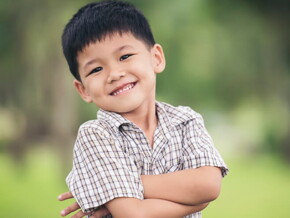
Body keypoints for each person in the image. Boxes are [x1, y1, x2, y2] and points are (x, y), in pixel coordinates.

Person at [58, 0, 228, 217]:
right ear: (83, 90)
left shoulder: (186, 120)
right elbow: (135, 215)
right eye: (96, 69)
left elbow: (208, 186)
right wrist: (196, 201)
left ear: (156, 58)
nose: (114, 74)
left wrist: (119, 186)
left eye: (125, 56)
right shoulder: (95, 135)